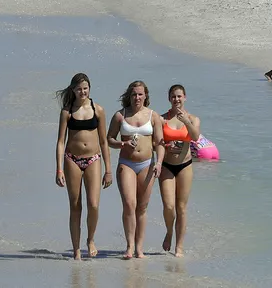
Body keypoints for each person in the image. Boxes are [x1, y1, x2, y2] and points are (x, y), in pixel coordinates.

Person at [55, 73, 113, 261]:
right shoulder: (67, 112)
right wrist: (59, 169)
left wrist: (108, 170)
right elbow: (61, 142)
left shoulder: (98, 110)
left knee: (94, 204)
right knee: (75, 206)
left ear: (90, 88)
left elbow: (104, 141)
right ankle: (76, 250)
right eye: (79, 88)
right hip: (72, 159)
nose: (82, 91)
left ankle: (90, 239)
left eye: (85, 88)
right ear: (73, 90)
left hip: (93, 160)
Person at [106, 81, 164, 260]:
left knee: (142, 207)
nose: (137, 98)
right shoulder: (120, 116)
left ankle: (140, 248)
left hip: (147, 164)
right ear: (129, 96)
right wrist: (123, 143)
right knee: (129, 204)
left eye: (140, 94)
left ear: (146, 96)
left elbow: (159, 143)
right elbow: (109, 139)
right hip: (126, 163)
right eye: (134, 95)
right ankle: (129, 246)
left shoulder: (153, 116)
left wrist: (159, 162)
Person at [158, 84, 200, 257]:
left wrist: (186, 122)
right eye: (173, 96)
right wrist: (166, 146)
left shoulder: (193, 118)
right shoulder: (162, 119)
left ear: (185, 98)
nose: (176, 99)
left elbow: (196, 137)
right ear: (169, 99)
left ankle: (179, 246)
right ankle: (169, 231)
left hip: (185, 165)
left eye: (179, 96)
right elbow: (156, 144)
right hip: (167, 165)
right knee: (169, 206)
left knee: (181, 208)